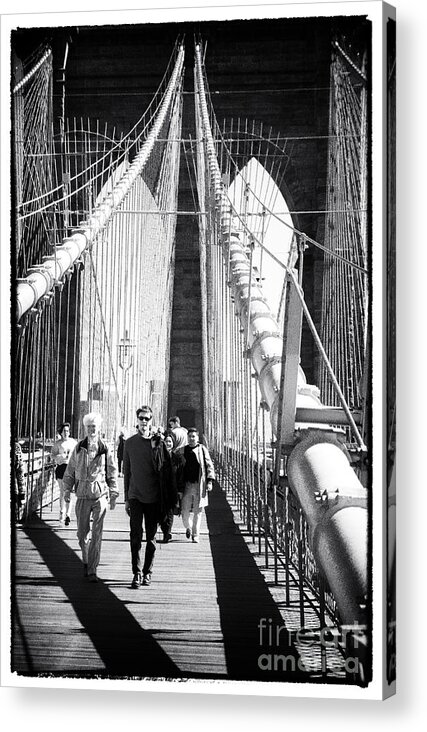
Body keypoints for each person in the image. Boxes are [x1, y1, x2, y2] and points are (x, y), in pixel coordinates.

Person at [62, 412, 118, 582]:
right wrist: (66, 489)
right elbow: (70, 470)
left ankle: (92, 569)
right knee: (82, 534)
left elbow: (112, 470)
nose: (92, 430)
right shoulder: (78, 448)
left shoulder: (104, 448)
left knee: (97, 534)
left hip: (99, 496)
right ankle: (86, 560)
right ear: (85, 429)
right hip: (82, 496)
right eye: (89, 427)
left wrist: (113, 492)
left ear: (99, 429)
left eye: (94, 427)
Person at [123, 406, 174, 588]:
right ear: (137, 420)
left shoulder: (158, 443)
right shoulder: (129, 443)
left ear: (151, 421)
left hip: (153, 497)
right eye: (141, 418)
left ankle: (147, 572)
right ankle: (136, 573)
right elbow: (126, 472)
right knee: (135, 535)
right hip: (135, 495)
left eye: (147, 419)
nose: (144, 422)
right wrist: (126, 498)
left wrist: (155, 448)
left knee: (151, 538)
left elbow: (163, 469)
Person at [181, 427, 215, 543]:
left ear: (198, 438)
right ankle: (188, 527)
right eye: (189, 436)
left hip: (199, 485)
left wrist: (210, 481)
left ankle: (196, 535)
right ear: (187, 438)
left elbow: (209, 465)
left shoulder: (202, 449)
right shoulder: (182, 450)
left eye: (193, 436)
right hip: (186, 485)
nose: (191, 439)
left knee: (198, 511)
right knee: (184, 511)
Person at [159, 431, 184, 543]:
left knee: (169, 511)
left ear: (173, 443)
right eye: (166, 441)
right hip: (159, 488)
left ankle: (167, 532)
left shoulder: (178, 459)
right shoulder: (157, 456)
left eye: (170, 441)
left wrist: (180, 490)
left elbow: (181, 475)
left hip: (172, 489)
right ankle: (162, 530)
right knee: (160, 510)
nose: (168, 443)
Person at [52, 422, 77, 525]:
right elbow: (52, 455)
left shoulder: (73, 442)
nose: (66, 433)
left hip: (70, 468)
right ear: (61, 433)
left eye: (67, 431)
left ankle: (68, 514)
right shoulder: (58, 443)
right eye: (64, 431)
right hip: (61, 468)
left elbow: (78, 454)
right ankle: (62, 511)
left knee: (69, 491)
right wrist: (58, 457)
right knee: (63, 491)